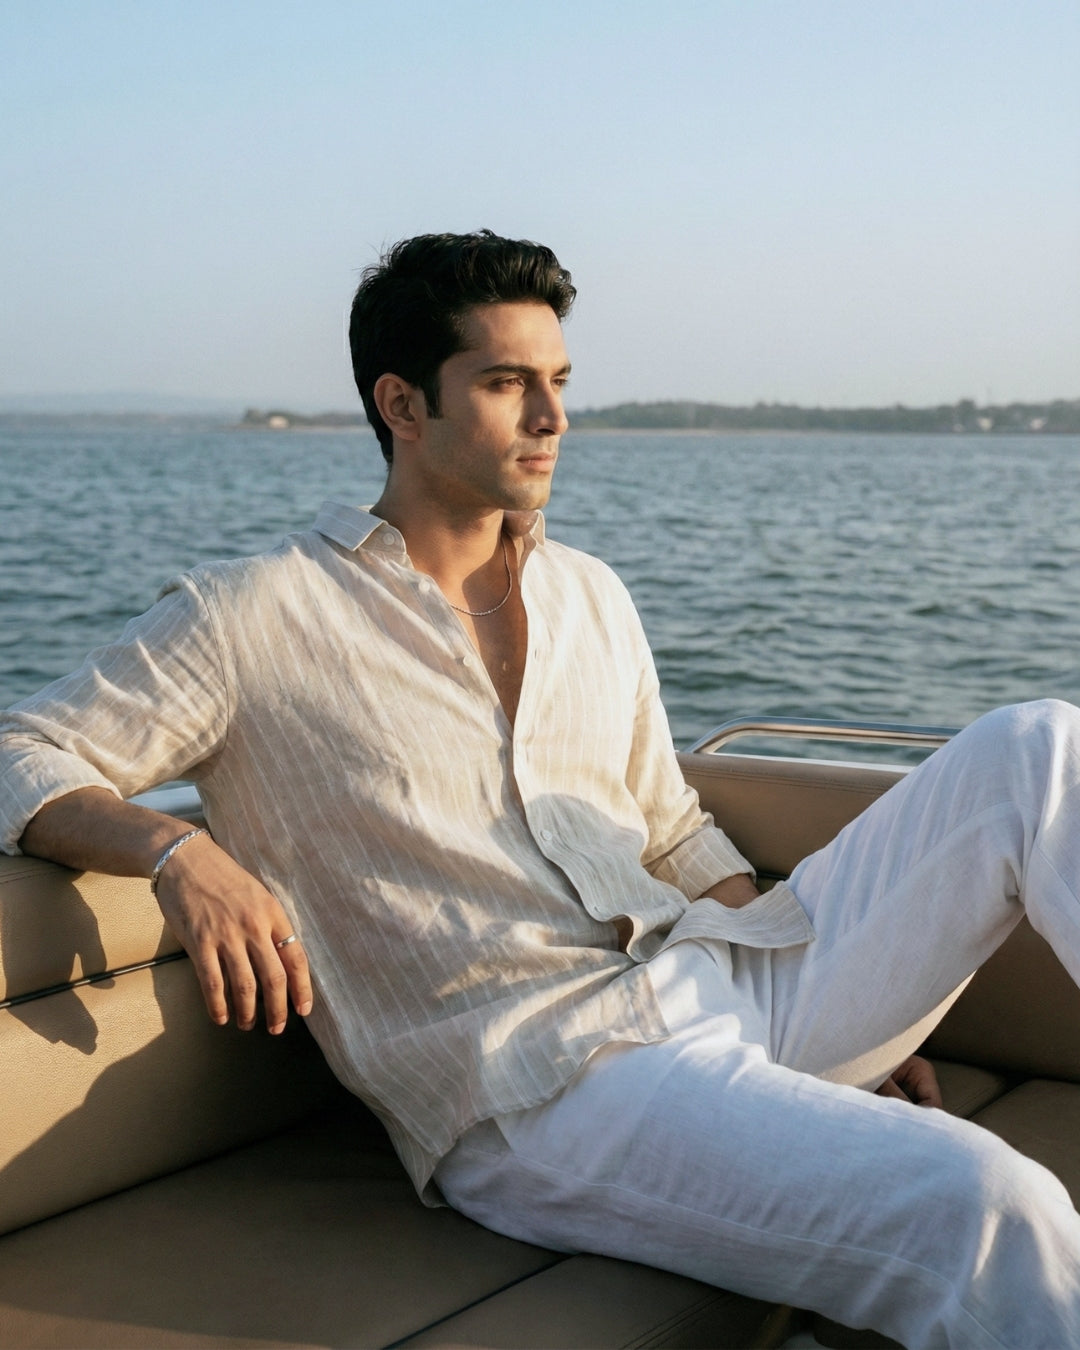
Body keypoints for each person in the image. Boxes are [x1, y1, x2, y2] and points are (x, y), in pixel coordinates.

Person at [2, 229, 1080, 1349]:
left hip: (719, 979)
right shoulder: (252, 617)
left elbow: (670, 826)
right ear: (403, 405)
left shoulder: (589, 594)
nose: (553, 418)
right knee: (986, 1203)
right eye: (508, 384)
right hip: (543, 1089)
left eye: (558, 382)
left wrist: (859, 980)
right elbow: (21, 751)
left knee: (1038, 747)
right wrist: (181, 856)